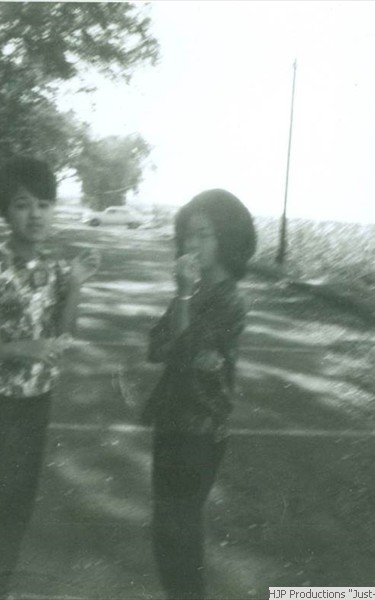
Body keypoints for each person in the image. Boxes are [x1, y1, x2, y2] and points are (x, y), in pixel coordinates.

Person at [0, 156, 100, 600]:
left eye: (45, 204)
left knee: (16, 515)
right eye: (22, 204)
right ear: (5, 210)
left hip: (35, 408)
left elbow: (64, 335)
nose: (36, 215)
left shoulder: (54, 269)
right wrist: (20, 349)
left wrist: (75, 285)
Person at [141, 189, 257, 600]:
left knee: (180, 534)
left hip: (201, 431)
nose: (191, 244)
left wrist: (184, 296)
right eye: (187, 235)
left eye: (203, 234)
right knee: (165, 534)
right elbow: (156, 347)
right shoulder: (192, 291)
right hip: (172, 423)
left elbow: (186, 352)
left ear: (226, 239)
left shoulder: (231, 300)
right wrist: (183, 296)